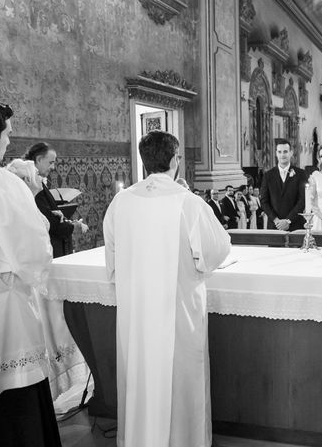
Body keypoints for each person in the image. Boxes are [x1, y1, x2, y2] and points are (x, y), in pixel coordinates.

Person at [103, 129, 231, 447]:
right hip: (178, 312)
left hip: (136, 313)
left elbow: (112, 259)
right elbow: (217, 249)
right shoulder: (187, 202)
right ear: (175, 160)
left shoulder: (121, 201)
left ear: (144, 161)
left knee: (140, 375)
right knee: (180, 376)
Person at [0, 100, 61, 446]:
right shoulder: (2, 184)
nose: (9, 143)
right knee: (17, 416)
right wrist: (30, 197)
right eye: (7, 135)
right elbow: (34, 254)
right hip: (6, 319)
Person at [24, 142, 88, 257]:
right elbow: (48, 220)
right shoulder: (31, 184)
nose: (53, 167)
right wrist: (73, 226)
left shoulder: (37, 182)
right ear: (38, 159)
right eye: (51, 162)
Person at [259, 138, 306, 231]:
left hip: (295, 225)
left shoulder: (301, 174)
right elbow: (264, 202)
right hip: (274, 225)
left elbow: (302, 201)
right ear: (276, 153)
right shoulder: (268, 175)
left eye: (285, 151)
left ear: (291, 153)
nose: (282, 155)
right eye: (279, 152)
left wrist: (288, 221)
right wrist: (276, 220)